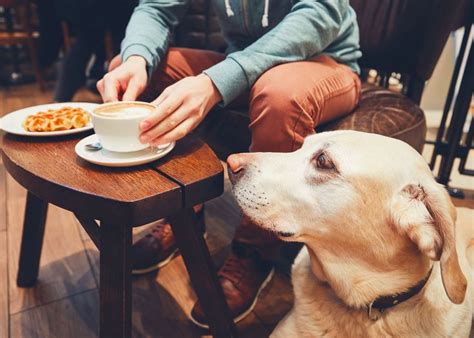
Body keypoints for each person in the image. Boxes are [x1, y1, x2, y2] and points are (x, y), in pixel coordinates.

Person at [97, 0, 362, 329]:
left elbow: (319, 14)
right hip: (243, 58)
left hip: (324, 60)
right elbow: (156, 7)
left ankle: (254, 250)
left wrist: (215, 81)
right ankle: (184, 217)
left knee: (279, 96)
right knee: (136, 66)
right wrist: (137, 56)